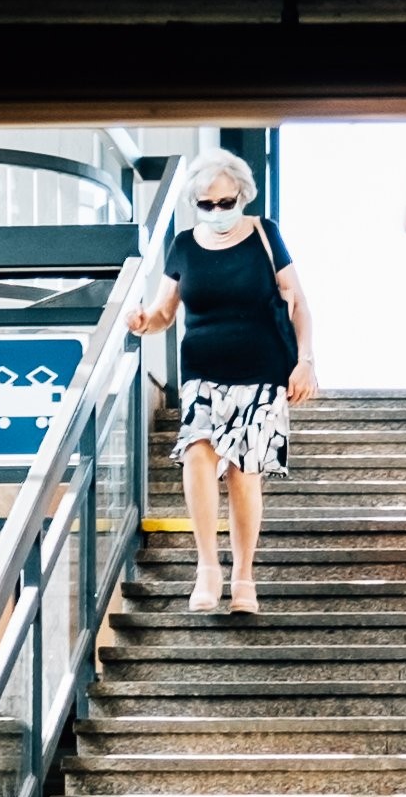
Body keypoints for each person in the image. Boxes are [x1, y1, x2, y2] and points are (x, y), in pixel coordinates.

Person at [122, 143, 313, 615]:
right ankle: (208, 568)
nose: (217, 212)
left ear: (242, 196)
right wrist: (144, 320)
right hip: (203, 371)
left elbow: (299, 301)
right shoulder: (185, 244)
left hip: (261, 369)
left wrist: (305, 361)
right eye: (206, 205)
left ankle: (244, 578)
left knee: (244, 475)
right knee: (196, 452)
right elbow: (166, 311)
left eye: (226, 203)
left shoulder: (265, 235)